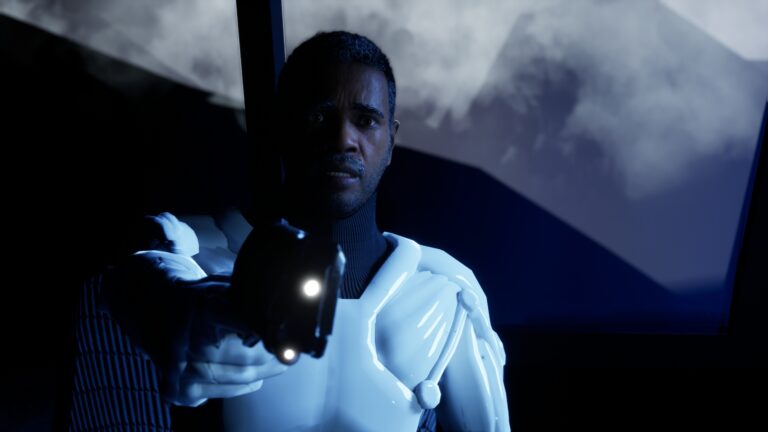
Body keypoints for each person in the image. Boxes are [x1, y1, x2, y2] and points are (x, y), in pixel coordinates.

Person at [70, 31, 510, 431]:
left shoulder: (445, 296)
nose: (343, 138)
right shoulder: (204, 257)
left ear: (391, 140)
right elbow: (144, 276)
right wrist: (179, 307)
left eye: (365, 120)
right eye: (320, 116)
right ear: (282, 128)